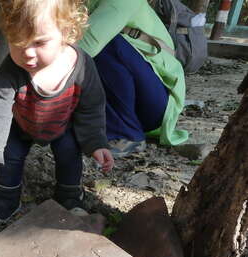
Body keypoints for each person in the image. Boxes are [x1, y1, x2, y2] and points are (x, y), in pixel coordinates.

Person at [0, 0, 114, 225]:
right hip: (21, 124)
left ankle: (70, 196)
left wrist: (96, 143)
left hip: (62, 125)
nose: (28, 54)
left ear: (66, 31)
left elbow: (91, 108)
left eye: (39, 42)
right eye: (17, 43)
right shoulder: (13, 69)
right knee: (10, 154)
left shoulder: (82, 66)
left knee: (69, 153)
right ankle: (7, 198)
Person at [78, 0, 189, 157]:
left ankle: (125, 133)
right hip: (137, 98)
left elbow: (87, 45)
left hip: (156, 107)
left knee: (102, 46)